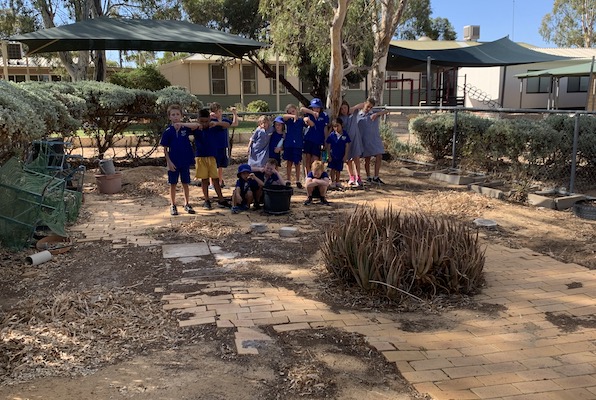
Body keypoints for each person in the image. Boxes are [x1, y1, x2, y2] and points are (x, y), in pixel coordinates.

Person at [181, 109, 232, 210]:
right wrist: (195, 125)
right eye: (202, 121)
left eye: (206, 121)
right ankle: (206, 200)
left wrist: (216, 123)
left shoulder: (213, 127)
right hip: (200, 157)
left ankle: (221, 200)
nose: (204, 124)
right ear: (198, 120)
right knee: (204, 180)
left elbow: (227, 124)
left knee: (215, 179)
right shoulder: (196, 128)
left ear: (209, 119)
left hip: (212, 157)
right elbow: (183, 126)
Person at [160, 104, 196, 216]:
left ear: (181, 115)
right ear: (169, 117)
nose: (175, 117)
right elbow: (165, 149)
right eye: (173, 115)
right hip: (173, 162)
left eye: (177, 114)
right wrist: (169, 162)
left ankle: (187, 203)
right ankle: (173, 204)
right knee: (173, 184)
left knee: (185, 183)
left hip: (184, 161)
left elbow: (197, 125)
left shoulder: (185, 128)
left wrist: (182, 124)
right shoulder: (168, 131)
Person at [358, 97, 389, 184]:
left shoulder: (374, 113)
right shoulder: (359, 115)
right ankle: (368, 177)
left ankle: (376, 176)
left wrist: (377, 114)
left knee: (379, 156)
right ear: (364, 103)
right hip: (365, 140)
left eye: (371, 107)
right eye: (368, 106)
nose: (369, 109)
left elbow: (386, 111)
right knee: (367, 158)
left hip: (375, 139)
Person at [209, 103, 238, 189]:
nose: (220, 113)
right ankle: (211, 184)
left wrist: (234, 113)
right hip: (213, 146)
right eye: (218, 112)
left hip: (223, 146)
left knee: (220, 166)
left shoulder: (224, 120)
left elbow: (235, 124)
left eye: (220, 111)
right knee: (213, 166)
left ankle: (220, 182)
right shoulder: (211, 121)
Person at [339, 100, 365, 187]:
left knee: (356, 158)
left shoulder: (353, 114)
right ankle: (351, 177)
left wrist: (354, 108)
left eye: (345, 108)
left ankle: (358, 177)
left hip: (355, 139)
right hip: (346, 141)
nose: (344, 110)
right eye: (341, 109)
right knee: (348, 160)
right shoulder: (340, 118)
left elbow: (363, 104)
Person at [281, 104, 308, 188]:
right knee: (289, 162)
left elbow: (308, 123)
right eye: (290, 112)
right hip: (289, 144)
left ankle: (297, 180)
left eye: (293, 111)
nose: (292, 113)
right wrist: (291, 116)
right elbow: (283, 117)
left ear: (296, 110)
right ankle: (288, 179)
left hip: (298, 144)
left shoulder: (300, 121)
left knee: (297, 163)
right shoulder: (288, 121)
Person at [301, 98, 330, 176]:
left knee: (315, 160)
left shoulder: (324, 115)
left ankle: (315, 176)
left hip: (318, 140)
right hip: (308, 139)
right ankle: (308, 177)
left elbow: (325, 128)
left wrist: (325, 140)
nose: (316, 109)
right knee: (307, 159)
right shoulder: (309, 114)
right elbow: (302, 109)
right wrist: (312, 113)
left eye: (317, 107)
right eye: (314, 107)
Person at [326, 118, 351, 189]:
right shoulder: (331, 135)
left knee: (338, 169)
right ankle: (332, 181)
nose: (336, 128)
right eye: (334, 126)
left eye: (338, 126)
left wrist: (345, 155)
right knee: (332, 169)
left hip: (340, 155)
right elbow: (328, 145)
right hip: (333, 155)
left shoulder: (345, 134)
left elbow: (347, 145)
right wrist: (329, 155)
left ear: (341, 125)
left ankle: (337, 181)